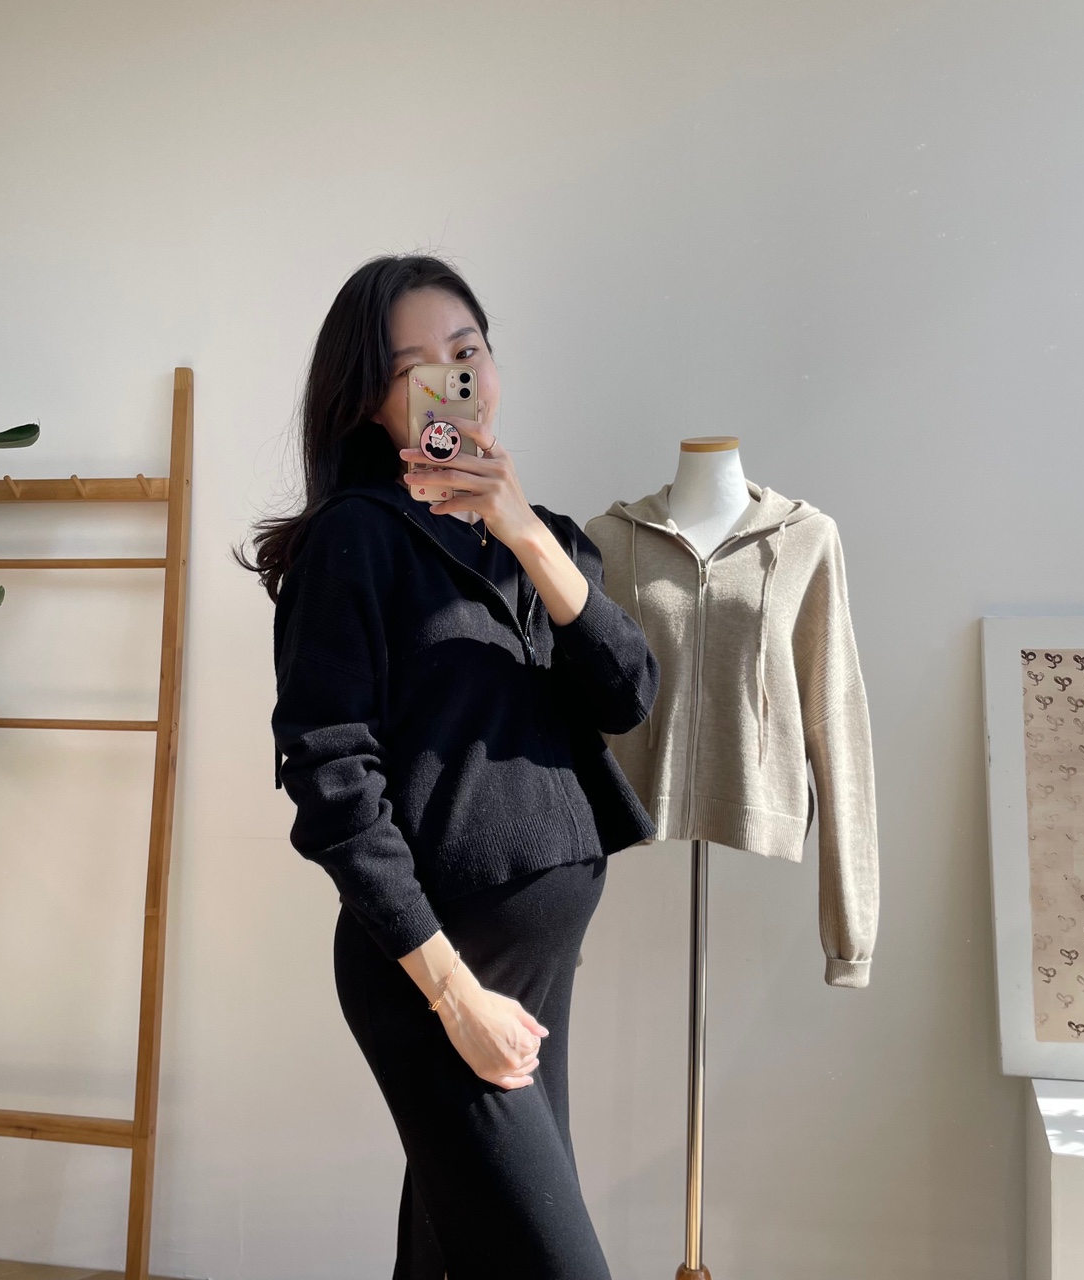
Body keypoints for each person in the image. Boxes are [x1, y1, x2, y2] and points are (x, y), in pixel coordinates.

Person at [238, 254, 660, 1279]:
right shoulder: (354, 540)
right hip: (434, 974)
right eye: (411, 367)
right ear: (369, 401)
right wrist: (453, 996)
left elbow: (628, 695)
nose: (448, 378)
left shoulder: (548, 543)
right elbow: (333, 784)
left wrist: (522, 532)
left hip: (532, 966)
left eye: (465, 352)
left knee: (451, 1258)